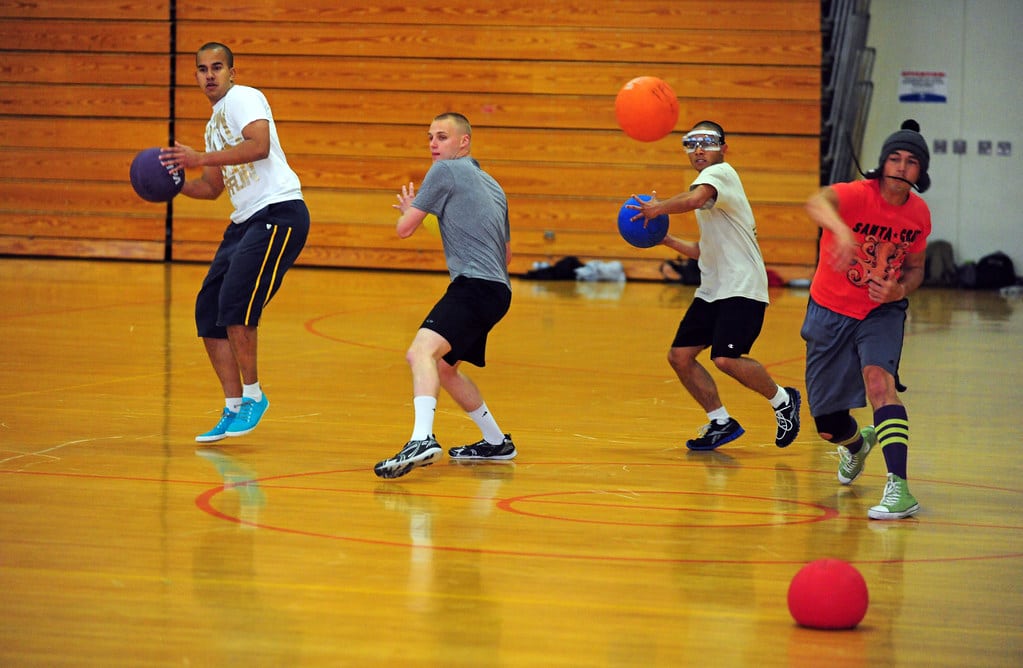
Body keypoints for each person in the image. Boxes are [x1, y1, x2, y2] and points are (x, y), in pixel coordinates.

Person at [160, 42, 310, 443]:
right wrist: (171, 185)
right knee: (209, 310)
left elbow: (258, 146)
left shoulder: (243, 98)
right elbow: (211, 190)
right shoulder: (213, 126)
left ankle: (254, 396)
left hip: (278, 212)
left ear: (232, 72)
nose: (209, 75)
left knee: (237, 308)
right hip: (245, 221)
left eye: (217, 67)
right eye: (202, 69)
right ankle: (232, 406)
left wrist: (199, 158)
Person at [630, 120, 801, 451]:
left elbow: (694, 200)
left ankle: (783, 400)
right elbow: (701, 251)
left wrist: (658, 208)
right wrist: (663, 238)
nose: (698, 149)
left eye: (707, 142)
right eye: (690, 143)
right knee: (680, 357)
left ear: (723, 148)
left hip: (742, 287)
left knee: (725, 358)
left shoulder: (721, 175)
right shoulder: (709, 198)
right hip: (714, 289)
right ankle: (720, 421)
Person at [801, 119, 931, 520]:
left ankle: (899, 488)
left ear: (920, 173)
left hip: (881, 311)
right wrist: (840, 229)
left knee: (880, 383)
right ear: (882, 162)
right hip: (828, 309)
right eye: (895, 157)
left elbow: (916, 268)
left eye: (911, 161)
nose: (901, 166)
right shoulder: (856, 195)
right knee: (826, 421)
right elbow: (816, 202)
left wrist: (899, 291)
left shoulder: (919, 214)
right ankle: (857, 445)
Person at [374, 112, 516, 479]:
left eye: (442, 137)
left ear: (464, 142)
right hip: (498, 291)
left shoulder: (443, 173)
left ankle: (421, 438)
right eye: (430, 138)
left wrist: (411, 212)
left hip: (473, 286)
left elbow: (404, 230)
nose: (434, 145)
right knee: (444, 368)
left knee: (419, 352)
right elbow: (506, 256)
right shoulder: (493, 185)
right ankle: (496, 442)